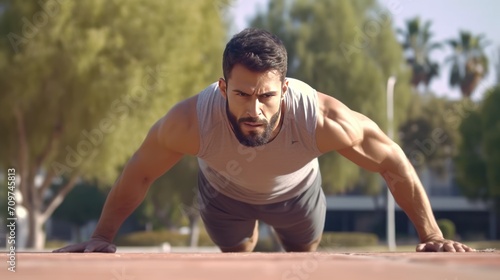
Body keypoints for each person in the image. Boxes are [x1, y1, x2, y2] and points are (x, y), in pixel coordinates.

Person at [54, 28, 474, 253]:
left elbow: (392, 162)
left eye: (267, 96)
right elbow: (140, 173)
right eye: (242, 94)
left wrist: (432, 234)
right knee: (239, 257)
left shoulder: (324, 119)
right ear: (223, 88)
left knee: (301, 253)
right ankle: (245, 236)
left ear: (284, 89)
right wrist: (102, 236)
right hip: (222, 195)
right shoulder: (189, 122)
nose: (255, 110)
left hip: (297, 193)